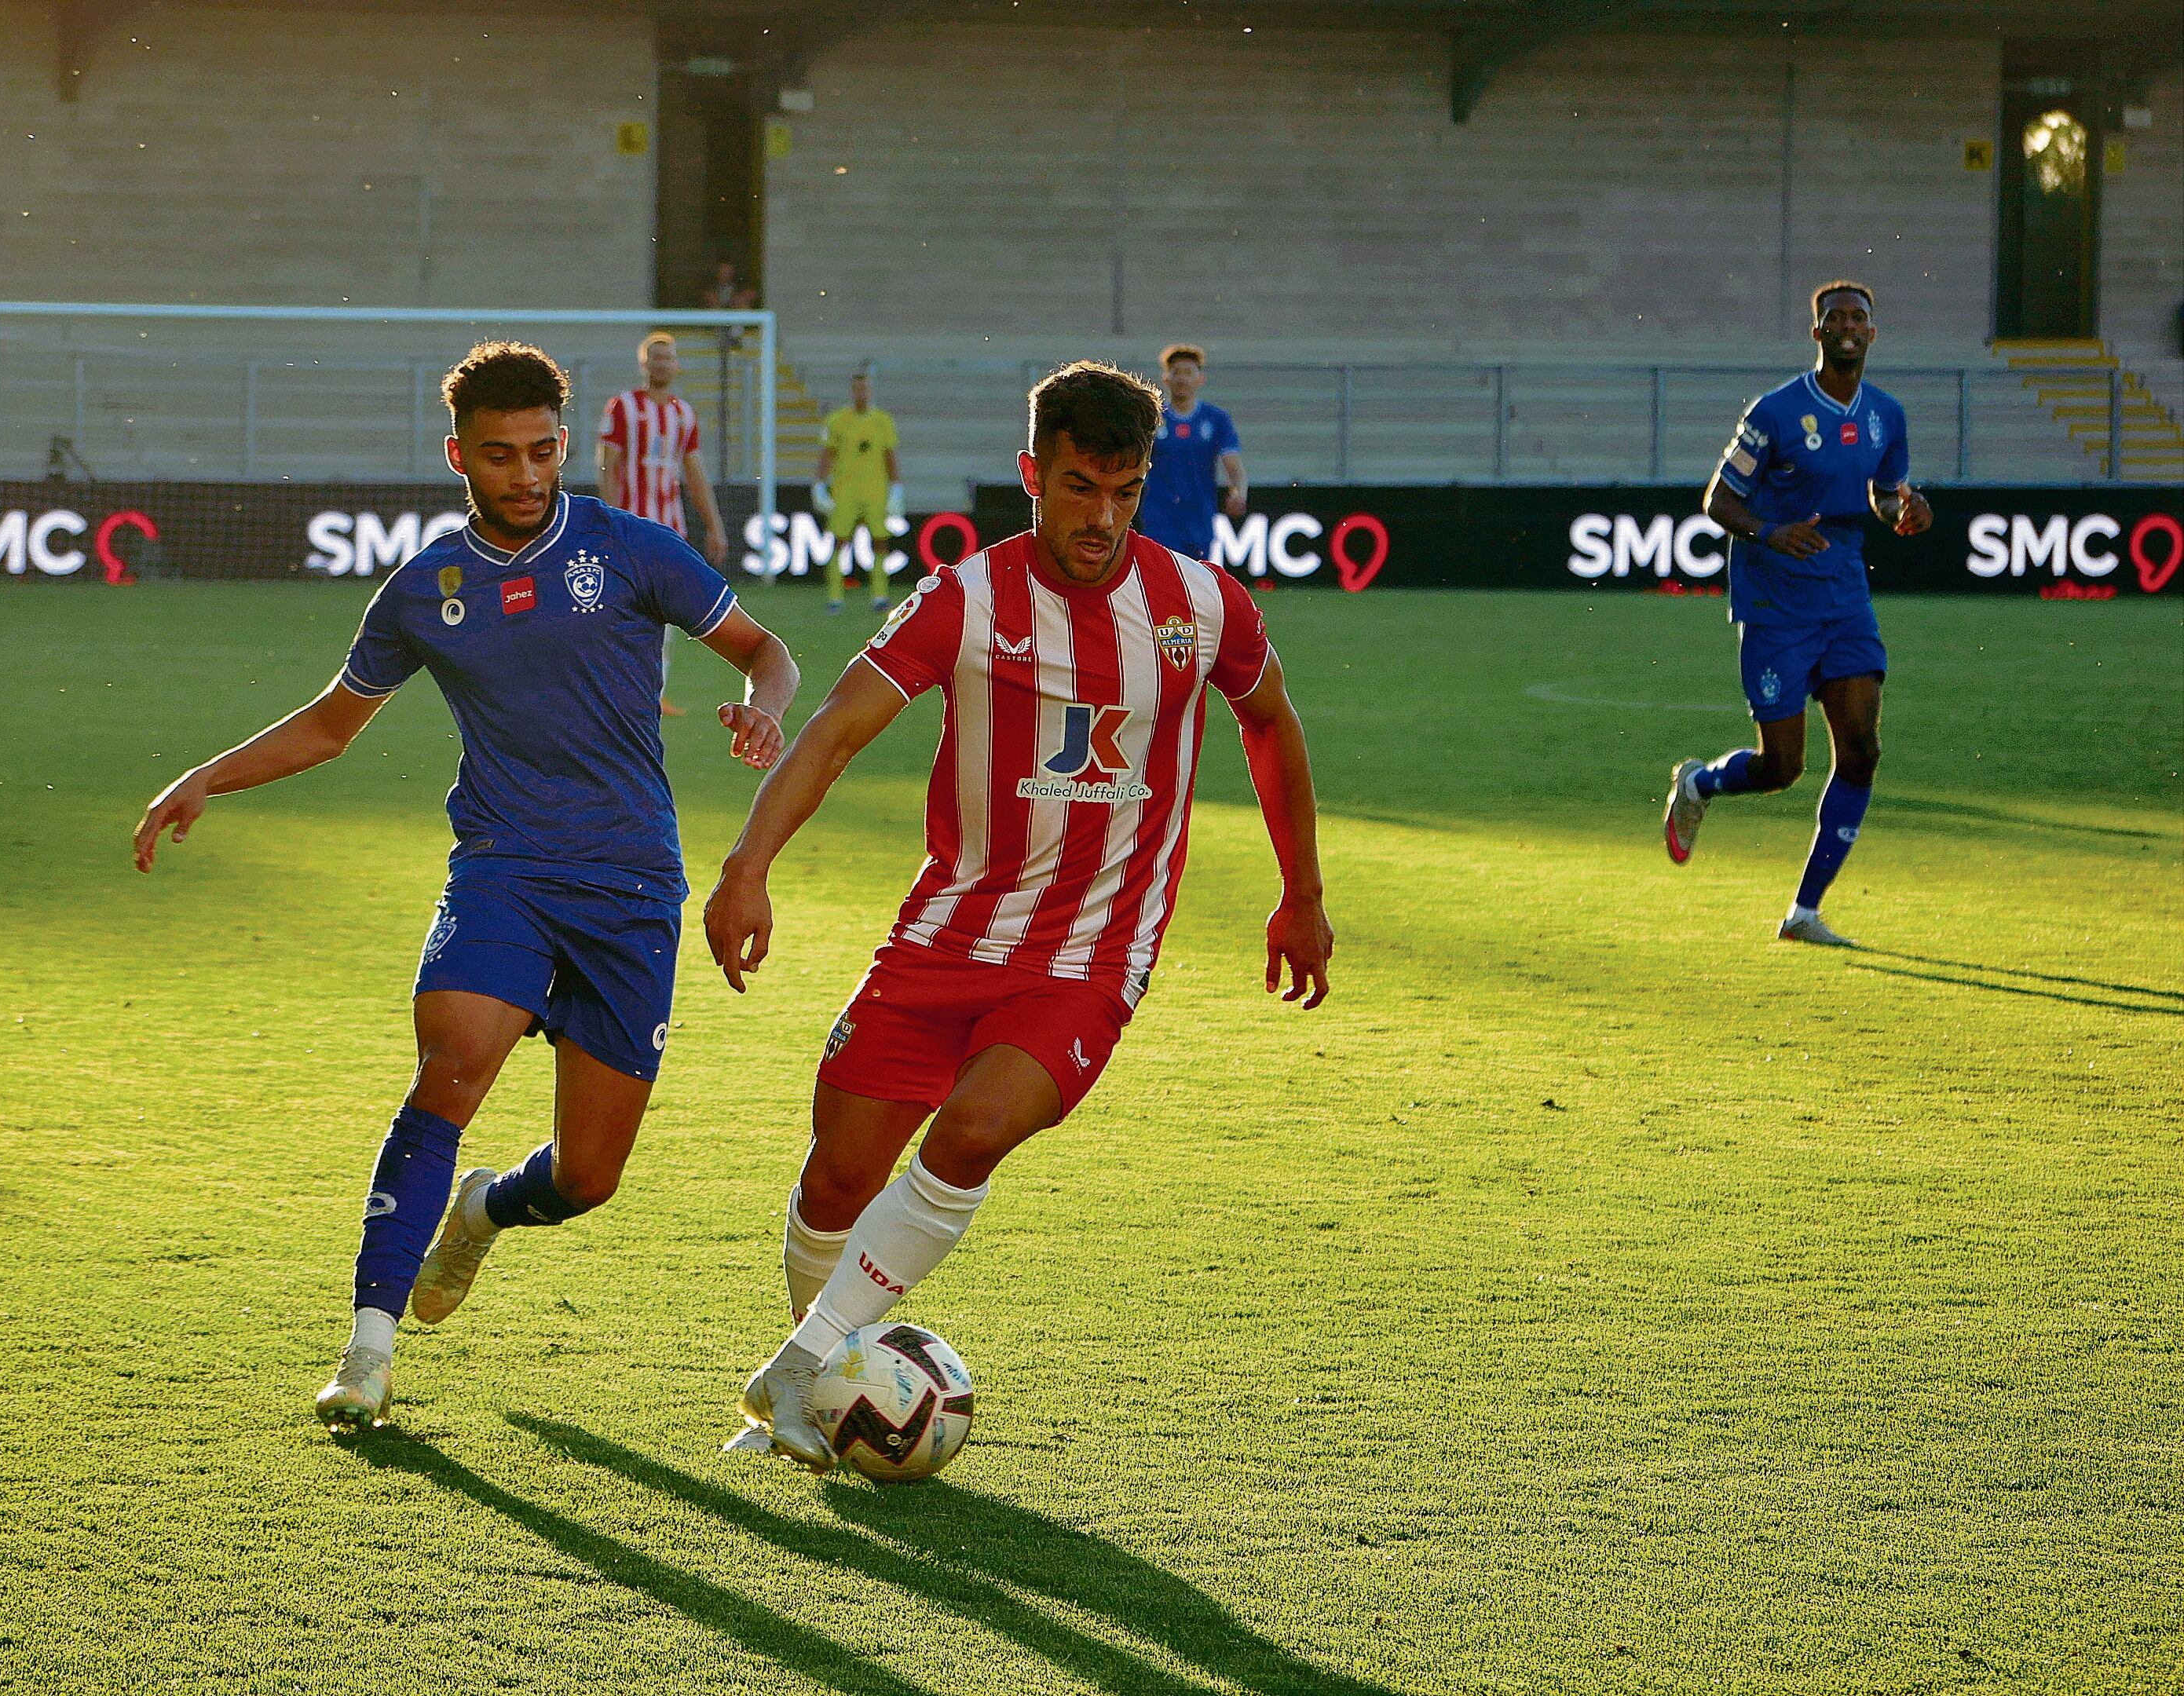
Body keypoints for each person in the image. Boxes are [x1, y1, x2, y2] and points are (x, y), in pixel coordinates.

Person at [132, 342, 798, 1433]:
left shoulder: (633, 550)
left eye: (541, 452)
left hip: (630, 884)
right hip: (503, 867)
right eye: (499, 457)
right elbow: (331, 724)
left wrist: (765, 706)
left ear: (565, 446)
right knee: (454, 1063)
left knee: (588, 1176)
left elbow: (764, 649)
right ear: (458, 458)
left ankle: (484, 1209)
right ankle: (366, 1353)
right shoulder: (424, 591)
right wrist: (209, 773)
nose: (525, 475)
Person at [702, 360, 1334, 1471]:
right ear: (1030, 474)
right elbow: (839, 728)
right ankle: (822, 1377)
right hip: (945, 935)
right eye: (1081, 487)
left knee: (976, 1131)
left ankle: (798, 1371)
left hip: (1094, 949)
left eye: (1126, 492)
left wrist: (1304, 893)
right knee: (835, 1180)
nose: (1103, 517)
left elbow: (1271, 722)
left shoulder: (1199, 606)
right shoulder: (966, 600)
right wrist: (749, 864)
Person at [1663, 280, 1932, 946]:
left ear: (1873, 334)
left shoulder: (1886, 415)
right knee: (1782, 767)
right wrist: (1769, 531)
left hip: (1843, 598)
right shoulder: (1777, 413)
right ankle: (1699, 785)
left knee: (1862, 751)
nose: (1847, 325)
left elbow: (1882, 496)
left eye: (1858, 317)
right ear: (1817, 334)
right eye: (1834, 317)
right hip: (1776, 604)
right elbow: (1718, 501)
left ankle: (1804, 913)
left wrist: (1906, 511)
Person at [600, 331, 730, 718]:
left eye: (668, 357)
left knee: (666, 616)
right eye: (655, 357)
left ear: (676, 365)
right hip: (628, 528)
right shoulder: (622, 407)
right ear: (644, 364)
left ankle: (652, 694)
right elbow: (608, 465)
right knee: (617, 608)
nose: (662, 364)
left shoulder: (684, 414)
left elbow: (695, 473)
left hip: (670, 531)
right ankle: (610, 687)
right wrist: (609, 519)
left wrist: (714, 524)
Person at [1138, 344, 1246, 561]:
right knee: (1161, 577)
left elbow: (1233, 465)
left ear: (1200, 379)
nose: (1182, 379)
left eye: (1188, 373)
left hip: (1200, 515)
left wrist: (1240, 493)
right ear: (1166, 378)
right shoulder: (1154, 418)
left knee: (1196, 580)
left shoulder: (1216, 419)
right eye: (1176, 372)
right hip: (1159, 514)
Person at [811, 366, 903, 614]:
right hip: (845, 492)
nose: (861, 392)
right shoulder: (838, 421)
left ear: (870, 390)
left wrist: (896, 487)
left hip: (875, 490)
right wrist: (820, 484)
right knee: (840, 542)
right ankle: (835, 597)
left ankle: (880, 596)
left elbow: (889, 456)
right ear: (852, 391)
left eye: (865, 388)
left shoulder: (883, 421)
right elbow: (827, 455)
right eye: (857, 388)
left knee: (880, 542)